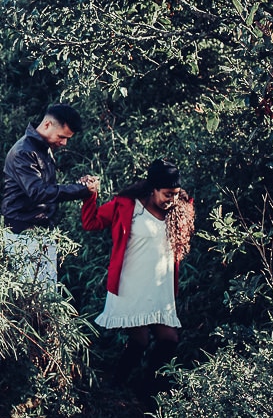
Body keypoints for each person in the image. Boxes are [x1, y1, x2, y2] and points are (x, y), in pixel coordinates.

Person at [81, 158, 195, 396]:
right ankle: (115, 387)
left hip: (161, 288)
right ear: (152, 189)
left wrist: (180, 204)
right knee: (140, 341)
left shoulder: (180, 209)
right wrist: (90, 196)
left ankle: (150, 388)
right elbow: (91, 223)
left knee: (169, 339)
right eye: (166, 194)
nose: (171, 200)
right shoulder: (127, 206)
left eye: (175, 193)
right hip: (132, 285)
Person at [1, 103, 99, 289]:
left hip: (41, 230)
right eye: (62, 137)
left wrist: (80, 185)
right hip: (23, 232)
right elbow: (38, 192)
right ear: (47, 125)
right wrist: (81, 190)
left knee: (45, 294)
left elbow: (47, 188)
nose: (64, 143)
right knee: (31, 297)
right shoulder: (24, 151)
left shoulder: (41, 148)